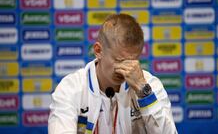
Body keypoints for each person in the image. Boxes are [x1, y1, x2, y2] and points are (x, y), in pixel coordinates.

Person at [48, 13, 178, 134]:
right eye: (119, 60)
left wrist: (143, 91)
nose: (126, 69)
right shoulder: (71, 88)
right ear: (98, 51)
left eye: (132, 61)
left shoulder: (149, 85)